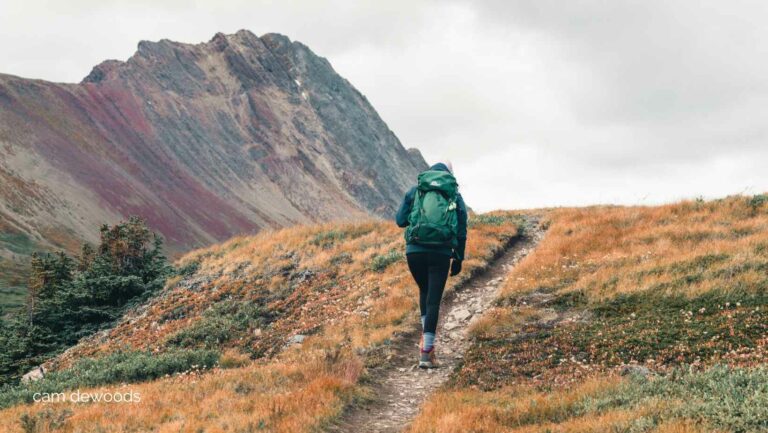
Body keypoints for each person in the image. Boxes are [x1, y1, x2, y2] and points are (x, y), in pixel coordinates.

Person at [395, 161, 468, 368]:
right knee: (433, 301)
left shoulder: (416, 190)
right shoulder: (454, 194)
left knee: (424, 291)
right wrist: (458, 258)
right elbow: (462, 228)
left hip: (414, 251)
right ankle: (426, 352)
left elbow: (400, 220)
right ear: (449, 174)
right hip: (441, 253)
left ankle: (425, 344)